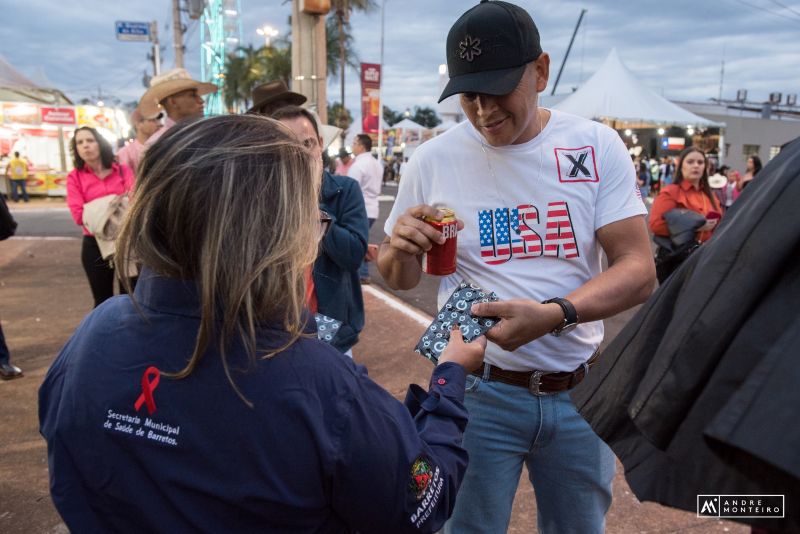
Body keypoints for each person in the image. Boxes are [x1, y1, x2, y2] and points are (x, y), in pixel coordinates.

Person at [39, 114, 486, 533]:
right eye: (312, 222)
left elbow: (68, 461)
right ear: (274, 236)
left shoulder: (95, 334)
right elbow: (421, 498)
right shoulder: (320, 385)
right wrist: (448, 380)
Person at [378, 2, 656, 532]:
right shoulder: (432, 159)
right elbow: (401, 277)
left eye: (498, 89)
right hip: (477, 390)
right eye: (469, 96)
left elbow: (639, 269)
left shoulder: (594, 146)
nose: (483, 110)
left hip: (578, 391)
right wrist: (399, 250)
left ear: (541, 71)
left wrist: (555, 314)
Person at [272, 105, 369, 356]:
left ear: (321, 144)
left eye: (308, 144)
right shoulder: (267, 195)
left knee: (330, 372)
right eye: (289, 147)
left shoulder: (344, 190)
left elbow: (353, 256)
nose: (301, 154)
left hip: (328, 320)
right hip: (278, 324)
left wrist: (312, 208)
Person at [66, 127, 135, 307]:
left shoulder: (122, 171)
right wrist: (116, 203)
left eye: (90, 140)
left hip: (125, 241)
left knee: (130, 298)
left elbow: (134, 204)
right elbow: (79, 216)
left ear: (100, 143)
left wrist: (96, 210)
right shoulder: (74, 177)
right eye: (80, 142)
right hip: (94, 244)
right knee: (102, 302)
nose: (85, 146)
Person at [649, 147, 721, 283]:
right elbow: (656, 225)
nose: (696, 166)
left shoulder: (710, 196)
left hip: (705, 258)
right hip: (678, 259)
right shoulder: (671, 192)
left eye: (700, 162)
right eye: (690, 162)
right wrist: (694, 227)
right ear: (681, 166)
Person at [138, 68, 218, 148]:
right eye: (192, 95)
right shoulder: (156, 145)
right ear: (173, 102)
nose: (201, 101)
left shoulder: (204, 133)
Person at [347, 133, 383, 283]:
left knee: (357, 241)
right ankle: (362, 272)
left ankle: (362, 273)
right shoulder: (377, 164)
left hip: (360, 208)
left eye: (354, 143)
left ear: (361, 147)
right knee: (361, 239)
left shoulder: (358, 165)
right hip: (373, 208)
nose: (352, 146)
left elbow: (350, 190)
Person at [116, 107, 162, 174]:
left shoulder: (161, 145)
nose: (158, 123)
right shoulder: (125, 153)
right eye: (152, 120)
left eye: (157, 120)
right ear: (138, 125)